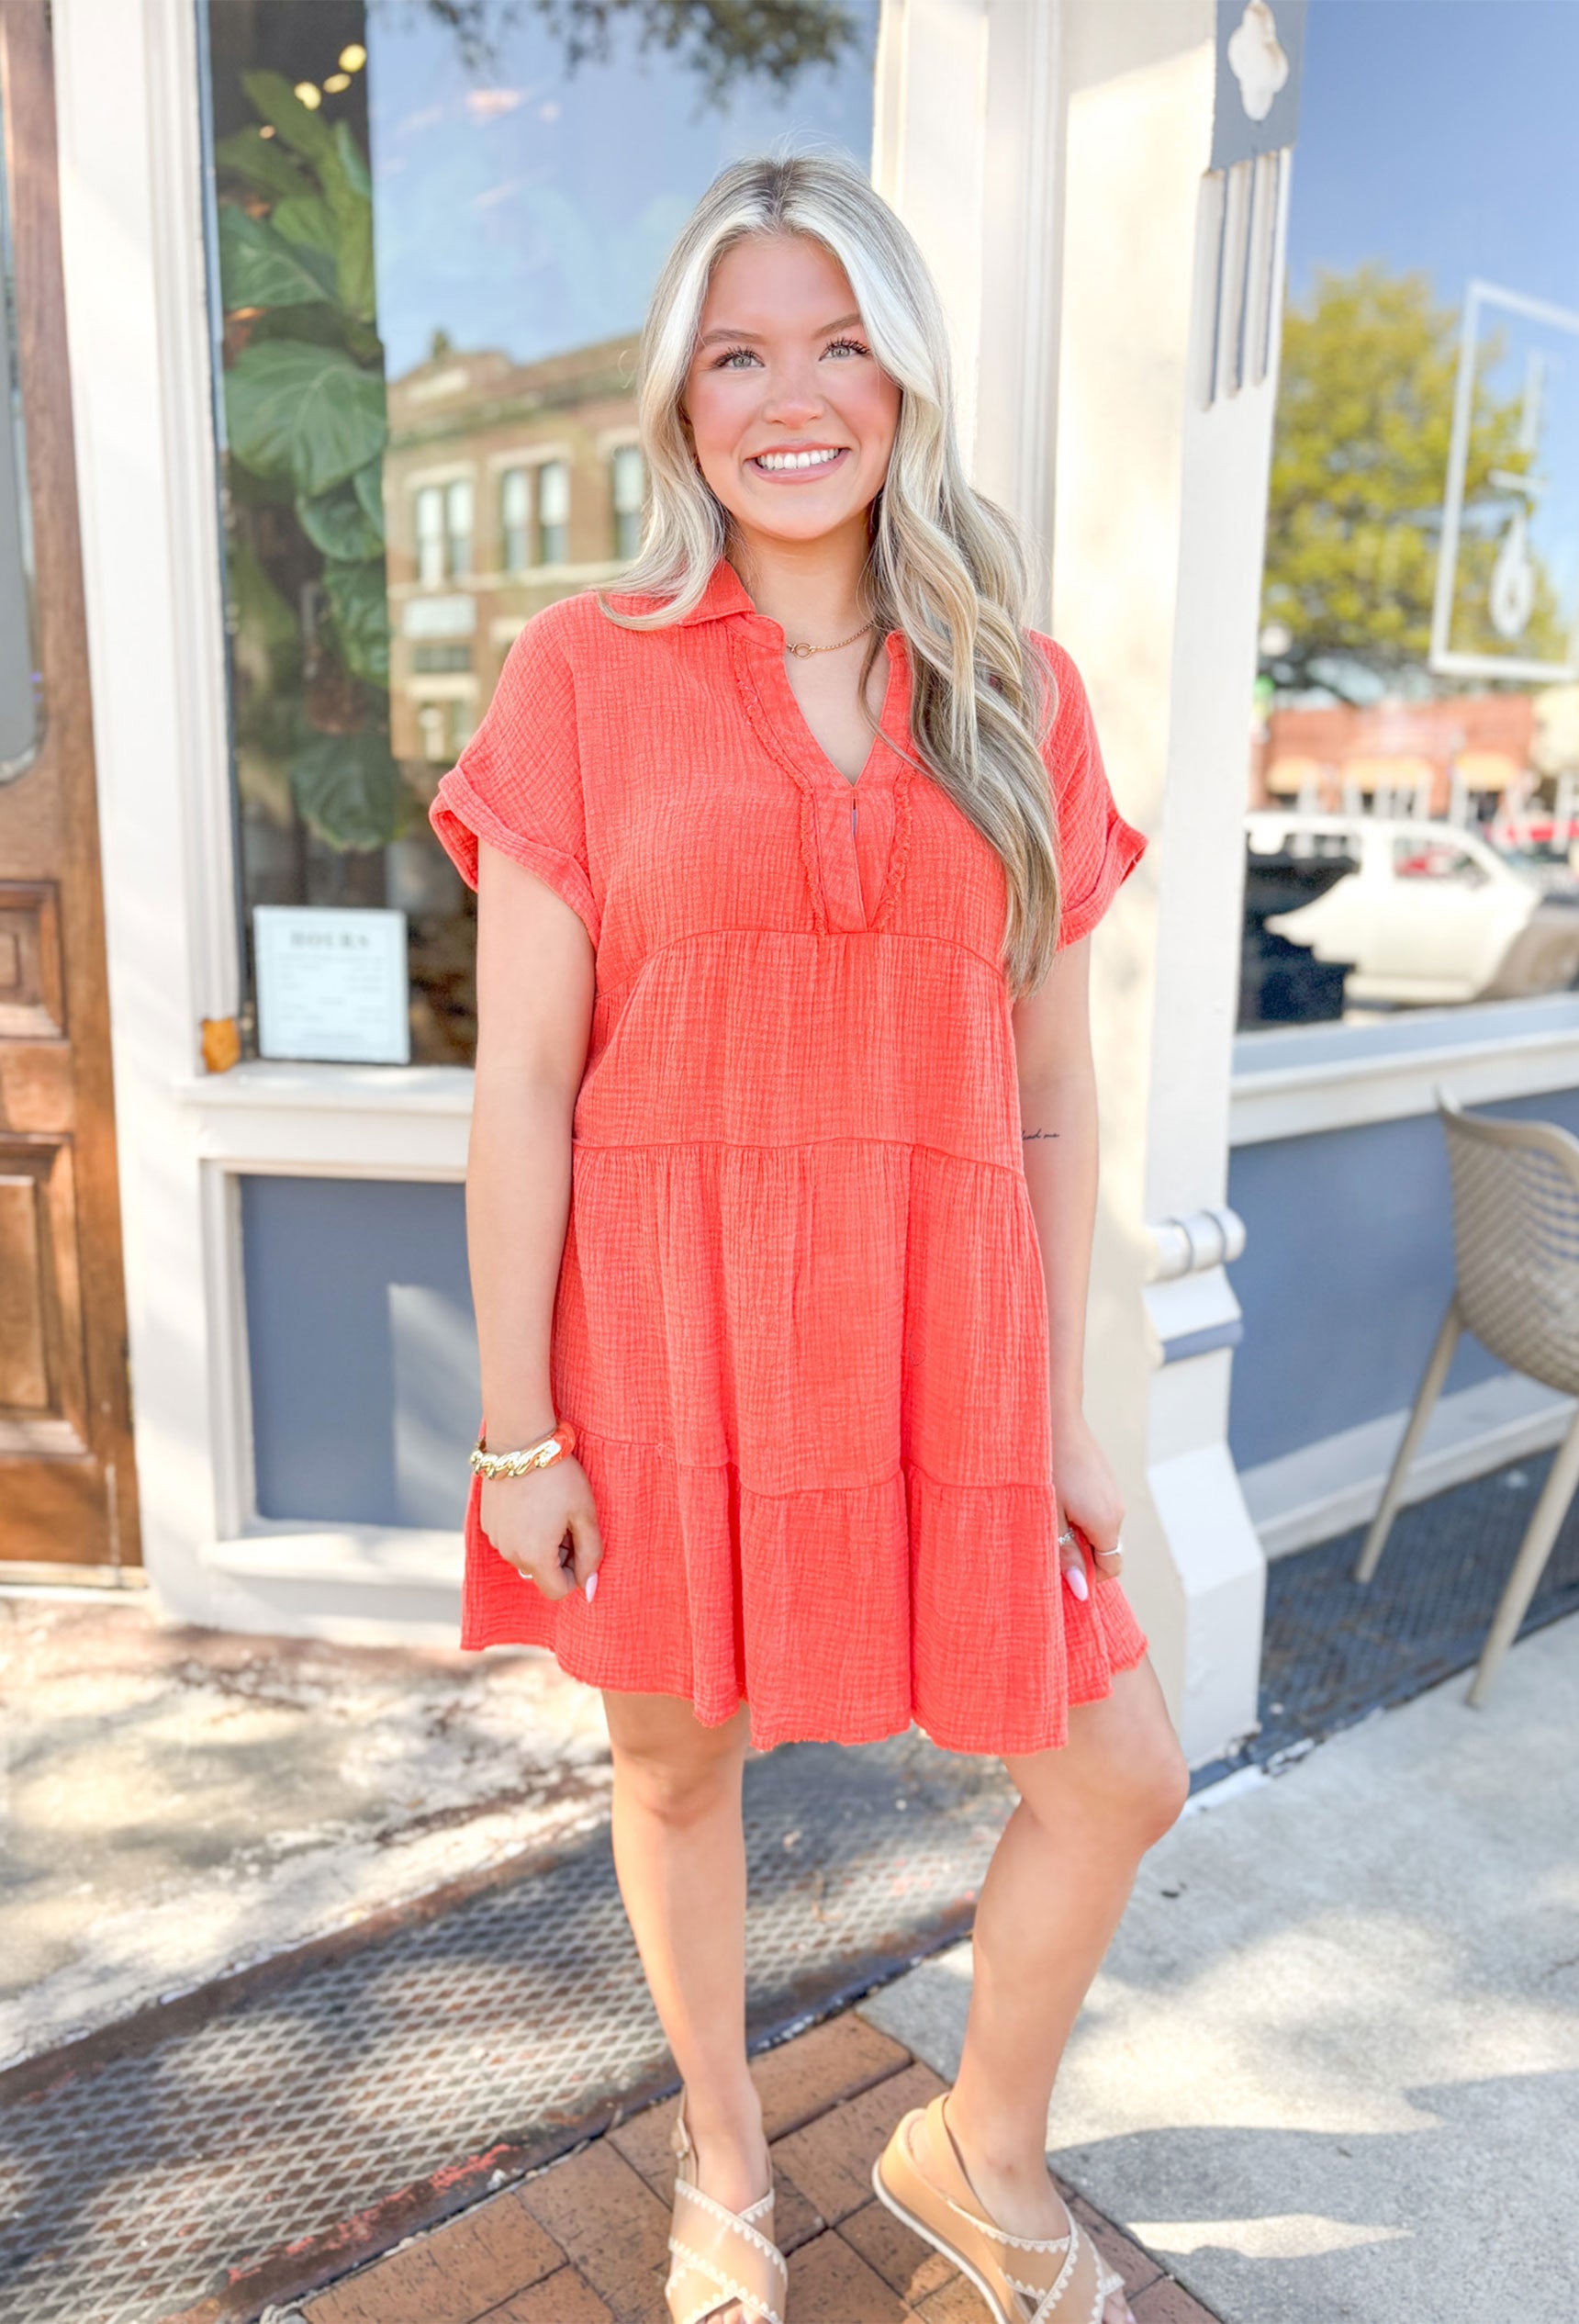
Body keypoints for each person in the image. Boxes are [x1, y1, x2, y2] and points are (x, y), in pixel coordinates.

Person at [430, 150, 1188, 2324]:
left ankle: (973, 2145)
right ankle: (729, 2156)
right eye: (739, 349)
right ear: (679, 400)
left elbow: (1050, 1095)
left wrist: (1062, 1410)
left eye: (838, 339)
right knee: (674, 1760)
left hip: (941, 1343)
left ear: (902, 381)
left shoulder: (1014, 688)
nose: (791, 392)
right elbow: (521, 1087)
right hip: (658, 1343)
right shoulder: (579, 671)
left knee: (1117, 1773)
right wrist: (515, 1434)